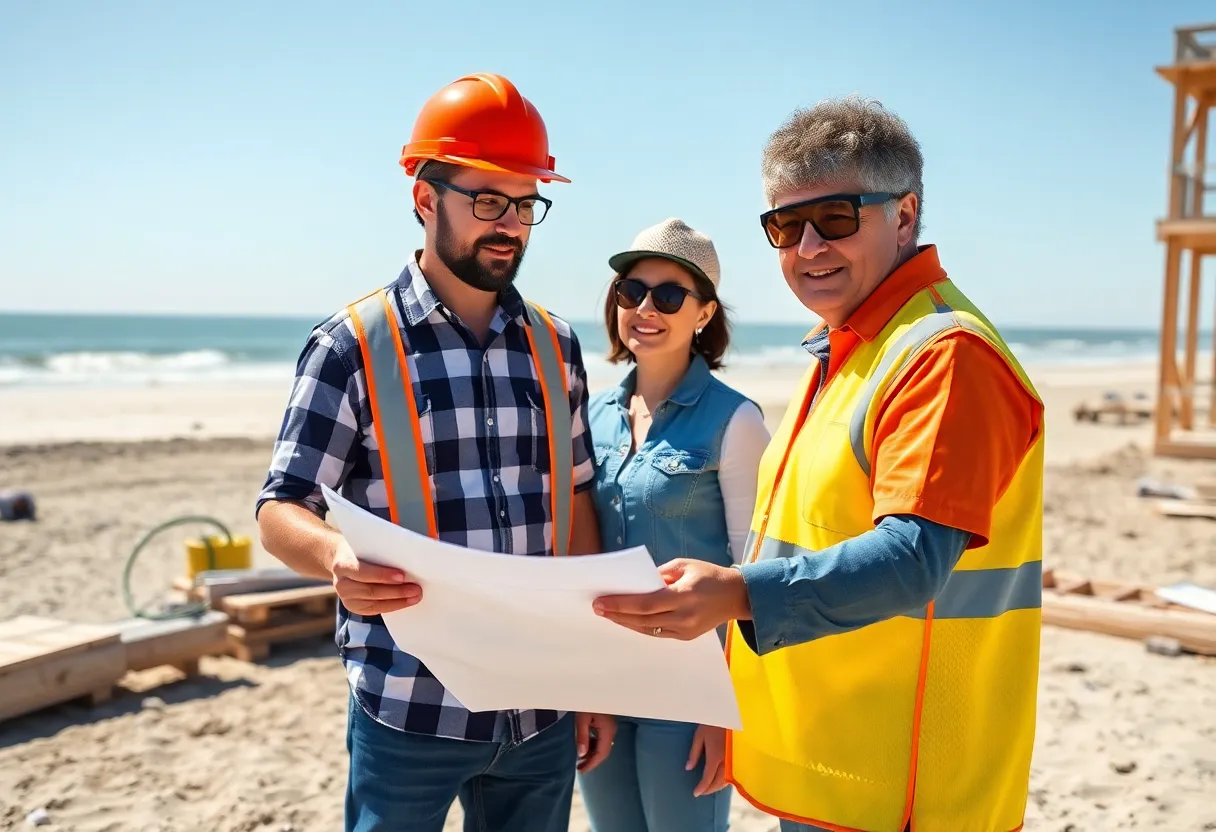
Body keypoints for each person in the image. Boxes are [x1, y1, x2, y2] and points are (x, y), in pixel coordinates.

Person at [593, 95, 1045, 832]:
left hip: (906, 785)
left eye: (836, 219)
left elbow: (913, 557)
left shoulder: (943, 354)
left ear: (904, 215)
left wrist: (736, 594)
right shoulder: (842, 354)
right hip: (833, 769)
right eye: (784, 226)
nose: (807, 249)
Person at [254, 73, 616, 832]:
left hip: (541, 712)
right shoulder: (348, 346)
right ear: (425, 198)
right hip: (409, 710)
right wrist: (335, 561)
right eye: (488, 200)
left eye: (525, 203)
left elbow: (578, 508)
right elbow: (282, 508)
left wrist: (589, 676)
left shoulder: (556, 346)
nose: (510, 224)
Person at [577, 219, 771, 832]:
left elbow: (753, 572)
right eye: (631, 292)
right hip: (601, 680)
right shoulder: (591, 414)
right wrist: (582, 688)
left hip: (690, 688)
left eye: (668, 296)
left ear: (704, 313)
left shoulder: (736, 421)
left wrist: (723, 709)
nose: (644, 309)